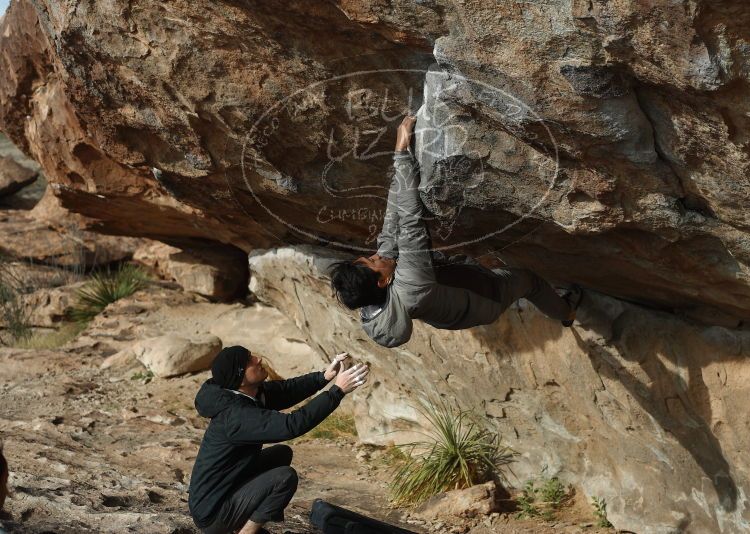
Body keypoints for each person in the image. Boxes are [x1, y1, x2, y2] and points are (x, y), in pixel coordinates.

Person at [329, 115, 582, 348]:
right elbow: (409, 222)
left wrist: (401, 168)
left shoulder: (373, 294)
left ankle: (485, 273)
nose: (377, 255)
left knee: (464, 268)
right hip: (487, 299)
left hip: (453, 302)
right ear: (383, 281)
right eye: (373, 261)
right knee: (528, 281)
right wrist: (401, 155)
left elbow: (392, 219)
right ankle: (567, 312)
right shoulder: (411, 287)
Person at [188, 346, 368, 534]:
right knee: (284, 477)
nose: (258, 359)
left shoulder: (245, 394)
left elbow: (286, 390)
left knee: (281, 454)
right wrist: (337, 391)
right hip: (213, 513)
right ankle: (246, 531)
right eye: (249, 361)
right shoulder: (236, 416)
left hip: (226, 490)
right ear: (240, 378)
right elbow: (292, 425)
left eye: (251, 355)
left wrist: (323, 377)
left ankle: (243, 521)